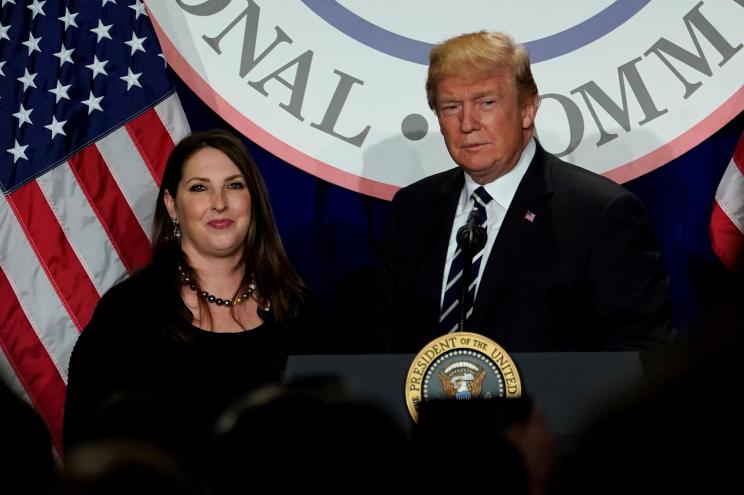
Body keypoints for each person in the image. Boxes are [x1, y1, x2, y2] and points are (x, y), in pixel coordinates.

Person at [374, 31, 676, 357]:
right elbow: (384, 341)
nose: (467, 123)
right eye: (451, 106)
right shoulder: (413, 208)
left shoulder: (599, 213)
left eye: (486, 102)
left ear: (527, 109)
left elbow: (644, 351)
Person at [63, 130, 309, 467]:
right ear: (172, 206)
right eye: (199, 187)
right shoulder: (129, 312)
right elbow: (87, 444)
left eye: (234, 185)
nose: (219, 202)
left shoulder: (298, 309)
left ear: (254, 200)